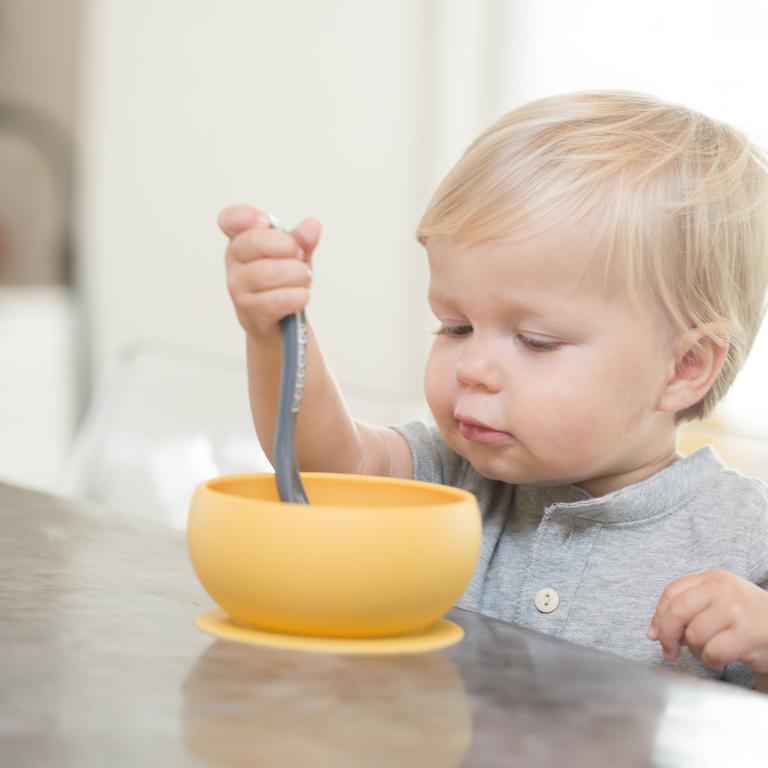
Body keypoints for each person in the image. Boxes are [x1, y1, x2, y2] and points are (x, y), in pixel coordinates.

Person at [220, 91, 768, 689]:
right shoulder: (451, 475)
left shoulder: (746, 534)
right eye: (455, 327)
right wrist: (276, 332)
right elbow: (326, 463)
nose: (472, 367)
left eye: (535, 341)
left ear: (684, 366)